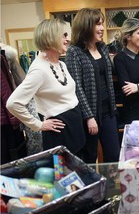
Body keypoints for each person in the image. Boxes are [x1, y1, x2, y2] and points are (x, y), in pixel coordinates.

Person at [6, 19, 85, 155]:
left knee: (79, 171)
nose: (68, 40)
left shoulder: (61, 64)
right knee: (65, 174)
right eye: (64, 35)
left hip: (75, 126)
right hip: (60, 132)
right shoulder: (38, 70)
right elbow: (13, 104)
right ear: (50, 37)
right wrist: (38, 125)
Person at [65, 8, 120, 163]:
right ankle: (91, 186)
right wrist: (89, 117)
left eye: (102, 24)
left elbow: (108, 76)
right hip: (88, 115)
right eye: (98, 24)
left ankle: (111, 186)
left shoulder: (103, 47)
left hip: (108, 112)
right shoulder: (74, 52)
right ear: (86, 26)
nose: (102, 28)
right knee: (89, 157)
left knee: (114, 155)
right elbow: (76, 87)